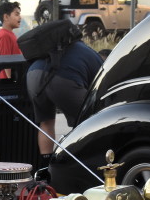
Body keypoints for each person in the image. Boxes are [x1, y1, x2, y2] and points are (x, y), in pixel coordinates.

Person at [26, 35, 103, 170]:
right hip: (63, 78)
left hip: (34, 74)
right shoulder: (96, 58)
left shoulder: (58, 47)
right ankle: (80, 166)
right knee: (86, 122)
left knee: (46, 122)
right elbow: (101, 91)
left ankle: (45, 170)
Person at [0, 1, 22, 80]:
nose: (20, 17)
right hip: (8, 83)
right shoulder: (4, 36)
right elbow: (6, 63)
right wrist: (13, 82)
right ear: (6, 17)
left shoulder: (9, 34)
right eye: (16, 14)